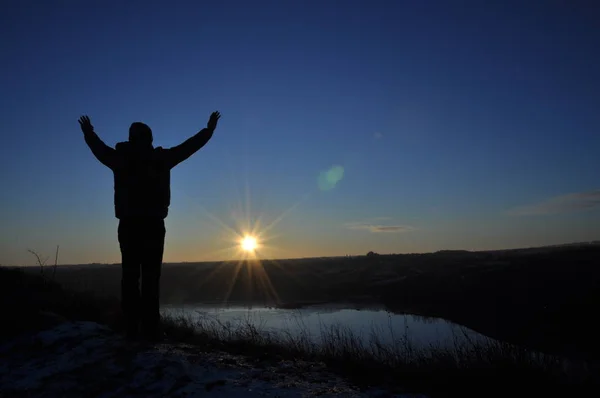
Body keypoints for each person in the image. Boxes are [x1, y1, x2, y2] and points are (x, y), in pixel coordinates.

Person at [79, 111, 221, 340]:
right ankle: (148, 329)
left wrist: (89, 134)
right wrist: (208, 131)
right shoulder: (158, 160)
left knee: (132, 277)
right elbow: (188, 148)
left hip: (131, 225)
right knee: (149, 278)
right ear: (148, 138)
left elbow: (100, 150)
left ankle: (134, 328)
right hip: (151, 225)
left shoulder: (123, 159)